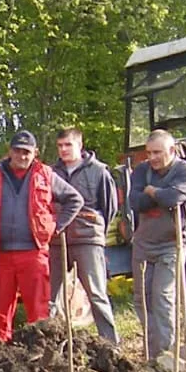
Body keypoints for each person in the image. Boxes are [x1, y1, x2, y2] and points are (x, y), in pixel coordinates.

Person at [0, 131, 83, 343]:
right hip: (2, 254)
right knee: (1, 309)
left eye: (27, 152)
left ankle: (38, 352)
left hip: (34, 252)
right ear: (9, 151)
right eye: (18, 151)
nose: (22, 156)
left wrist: (55, 227)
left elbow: (74, 199)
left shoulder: (46, 174)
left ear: (35, 153)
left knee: (38, 309)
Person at [127, 129, 186, 372]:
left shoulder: (185, 171)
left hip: (172, 243)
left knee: (163, 298)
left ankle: (167, 355)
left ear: (172, 150)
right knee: (142, 299)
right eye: (149, 153)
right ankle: (153, 352)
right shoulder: (141, 171)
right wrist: (157, 196)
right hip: (143, 244)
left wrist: (153, 192)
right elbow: (135, 202)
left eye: (157, 152)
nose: (153, 158)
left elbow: (175, 197)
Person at [49, 127, 122, 343]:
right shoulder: (50, 173)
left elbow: (109, 207)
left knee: (96, 294)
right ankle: (49, 345)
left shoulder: (99, 172)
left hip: (88, 240)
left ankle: (110, 343)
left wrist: (94, 230)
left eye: (68, 145)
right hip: (57, 240)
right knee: (51, 298)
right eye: (60, 146)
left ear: (79, 145)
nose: (64, 150)